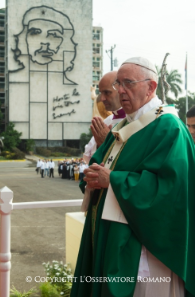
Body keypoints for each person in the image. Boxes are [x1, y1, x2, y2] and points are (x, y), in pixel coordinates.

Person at [71, 57, 195, 297]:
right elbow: (100, 163)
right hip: (109, 236)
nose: (121, 91)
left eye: (129, 83)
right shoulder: (120, 128)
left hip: (145, 248)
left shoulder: (168, 127)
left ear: (151, 87)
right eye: (119, 84)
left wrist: (114, 181)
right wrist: (92, 176)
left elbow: (172, 190)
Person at [84, 71, 126, 164]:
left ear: (121, 90)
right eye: (100, 93)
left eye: (107, 92)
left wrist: (107, 143)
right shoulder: (107, 121)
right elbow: (88, 156)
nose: (102, 98)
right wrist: (100, 146)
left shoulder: (139, 119)